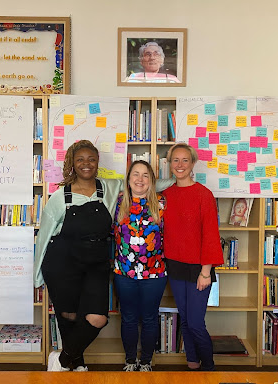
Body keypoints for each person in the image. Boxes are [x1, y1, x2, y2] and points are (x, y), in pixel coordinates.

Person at [34, 140, 174, 372]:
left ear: (98, 163)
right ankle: (77, 363)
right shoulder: (60, 197)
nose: (86, 164)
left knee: (97, 317)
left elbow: (147, 181)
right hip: (63, 263)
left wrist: (181, 178)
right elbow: (45, 237)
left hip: (95, 264)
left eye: (91, 159)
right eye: (80, 159)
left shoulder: (109, 188)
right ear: (72, 163)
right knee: (68, 317)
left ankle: (62, 359)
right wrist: (38, 276)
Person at [162, 143, 224, 371]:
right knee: (186, 319)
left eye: (185, 160)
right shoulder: (165, 196)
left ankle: (208, 367)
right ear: (170, 165)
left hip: (200, 268)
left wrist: (206, 272)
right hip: (175, 266)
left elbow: (210, 234)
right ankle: (192, 363)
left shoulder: (203, 195)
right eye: (175, 160)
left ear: (193, 163)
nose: (180, 165)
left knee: (196, 322)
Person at [113, 160, 167, 372]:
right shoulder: (118, 203)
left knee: (149, 318)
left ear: (152, 181)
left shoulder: (162, 203)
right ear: (128, 179)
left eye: (145, 175)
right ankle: (129, 360)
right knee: (128, 318)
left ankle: (145, 361)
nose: (140, 179)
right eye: (136, 174)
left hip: (155, 274)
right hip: (124, 273)